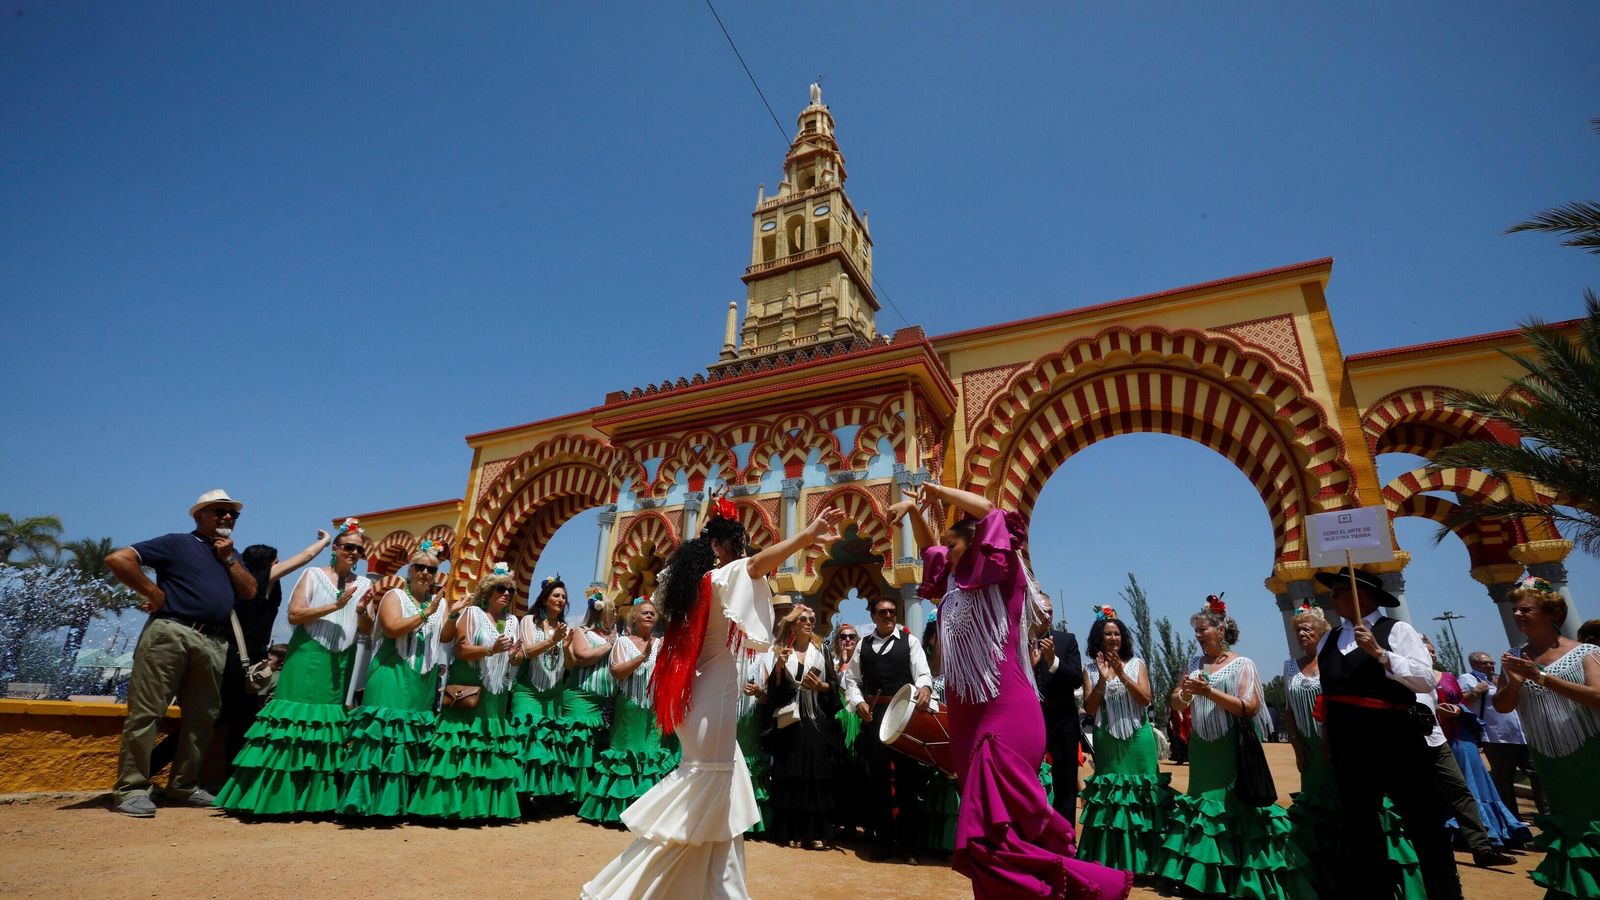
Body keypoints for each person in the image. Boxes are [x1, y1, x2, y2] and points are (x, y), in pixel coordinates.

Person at [581, 492, 843, 898]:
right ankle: (624, 890)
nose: (743, 554)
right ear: (722, 548)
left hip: (699, 699)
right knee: (704, 797)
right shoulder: (720, 579)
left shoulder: (685, 586)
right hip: (714, 700)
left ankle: (722, 892)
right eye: (737, 545)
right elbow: (757, 565)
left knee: (721, 803)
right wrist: (806, 534)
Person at [896, 481, 1132, 899]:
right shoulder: (952, 588)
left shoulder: (1004, 577)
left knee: (1004, 834)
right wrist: (915, 512)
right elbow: (932, 548)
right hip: (967, 721)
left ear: (977, 544)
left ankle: (1076, 889)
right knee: (985, 839)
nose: (943, 553)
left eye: (953, 544)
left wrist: (935, 489)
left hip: (1005, 715)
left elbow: (990, 511)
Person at [103, 489, 260, 816]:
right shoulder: (178, 543)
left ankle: (184, 785)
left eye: (233, 514)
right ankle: (131, 788)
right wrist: (152, 591)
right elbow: (119, 559)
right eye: (219, 511)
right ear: (199, 515)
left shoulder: (232, 555)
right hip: (171, 632)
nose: (227, 517)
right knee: (147, 712)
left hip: (214, 641)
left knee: (203, 717)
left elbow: (249, 590)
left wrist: (230, 559)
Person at [1312, 567, 1464, 900]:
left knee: (1423, 823)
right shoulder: (1329, 638)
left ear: (1359, 595)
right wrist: (1327, 735)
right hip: (1348, 744)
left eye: (1337, 592)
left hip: (1394, 740)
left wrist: (1380, 655)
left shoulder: (1396, 631)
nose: (1331, 598)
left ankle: (1444, 892)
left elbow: (1426, 679)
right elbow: (1329, 692)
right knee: (1360, 826)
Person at [1154, 596, 1309, 900]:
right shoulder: (1192, 664)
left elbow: (1249, 707)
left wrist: (1208, 691)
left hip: (1231, 749)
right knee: (1204, 811)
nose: (1198, 636)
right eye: (1196, 632)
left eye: (1203, 630)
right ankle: (1204, 875)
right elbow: (1175, 702)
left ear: (1221, 629)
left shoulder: (1243, 665)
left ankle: (1239, 874)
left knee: (1233, 809)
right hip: (1203, 748)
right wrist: (1183, 694)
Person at [216, 518, 373, 816]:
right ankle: (271, 797)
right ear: (335, 549)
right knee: (293, 722)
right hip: (307, 654)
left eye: (359, 551)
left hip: (340, 660)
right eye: (349, 548)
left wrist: (364, 611)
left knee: (325, 727)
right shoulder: (313, 575)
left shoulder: (365, 584)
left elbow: (365, 629)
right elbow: (295, 614)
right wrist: (334, 607)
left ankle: (314, 800)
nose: (354, 554)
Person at [1281, 604, 1425, 898]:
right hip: (1309, 750)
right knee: (1317, 805)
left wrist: (1329, 735)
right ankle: (1324, 874)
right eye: (1298, 629)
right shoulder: (1290, 667)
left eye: (1308, 628)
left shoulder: (1333, 660)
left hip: (1337, 741)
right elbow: (1288, 710)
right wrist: (1295, 741)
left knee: (1351, 804)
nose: (1302, 634)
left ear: (1322, 632)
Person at [1493, 575, 1600, 899]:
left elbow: (1597, 696)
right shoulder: (1514, 656)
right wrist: (1514, 682)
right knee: (1566, 821)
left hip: (1589, 755)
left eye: (1526, 609)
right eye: (1515, 610)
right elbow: (1502, 705)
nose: (1518, 615)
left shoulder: (1586, 652)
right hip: (1550, 759)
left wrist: (1541, 678)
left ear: (1552, 613)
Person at [337, 541, 449, 817]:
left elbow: (445, 638)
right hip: (392, 673)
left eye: (431, 569)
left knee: (410, 740)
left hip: (422, 679)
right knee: (383, 738)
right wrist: (426, 613)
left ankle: (398, 804)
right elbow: (392, 628)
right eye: (420, 567)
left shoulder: (439, 603)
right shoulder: (394, 597)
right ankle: (365, 803)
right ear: (410, 571)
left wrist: (455, 615)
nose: (425, 573)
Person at [407, 562, 521, 821]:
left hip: (496, 692)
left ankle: (486, 808)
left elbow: (510, 659)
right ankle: (447, 806)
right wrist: (491, 649)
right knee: (461, 744)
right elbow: (461, 649)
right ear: (487, 592)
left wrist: (513, 655)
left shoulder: (513, 621)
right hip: (469, 685)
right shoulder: (471, 614)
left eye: (510, 591)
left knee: (489, 746)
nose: (505, 594)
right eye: (500, 588)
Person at [215, 534, 327, 779]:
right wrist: (325, 541)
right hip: (240, 659)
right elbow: (305, 557)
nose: (281, 564)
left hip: (241, 656)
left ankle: (231, 779)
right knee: (228, 722)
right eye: (277, 561)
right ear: (267, 564)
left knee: (235, 721)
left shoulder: (243, 584)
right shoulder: (260, 581)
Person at [1076, 605, 1174, 877]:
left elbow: (1145, 698)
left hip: (1138, 739)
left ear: (1124, 637)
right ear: (1098, 637)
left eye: (1117, 633)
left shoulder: (1137, 663)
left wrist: (1121, 674)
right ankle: (1113, 860)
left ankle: (1149, 862)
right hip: (1108, 739)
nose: (1113, 638)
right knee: (1113, 799)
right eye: (1107, 634)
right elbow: (1091, 708)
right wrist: (1102, 681)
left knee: (1143, 796)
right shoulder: (1090, 669)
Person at [842, 593, 935, 862]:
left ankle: (908, 846)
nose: (888, 615)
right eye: (882, 612)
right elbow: (852, 681)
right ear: (873, 616)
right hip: (875, 716)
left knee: (907, 779)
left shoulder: (910, 642)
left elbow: (923, 674)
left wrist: (926, 687)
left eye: (892, 611)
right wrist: (858, 702)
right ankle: (883, 842)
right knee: (879, 780)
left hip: (904, 717)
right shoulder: (863, 646)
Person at [580, 597, 678, 825]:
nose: (649, 616)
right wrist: (643, 656)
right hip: (628, 709)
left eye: (652, 613)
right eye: (644, 612)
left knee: (650, 755)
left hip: (651, 709)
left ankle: (647, 813)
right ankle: (617, 809)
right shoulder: (623, 643)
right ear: (634, 617)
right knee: (625, 756)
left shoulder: (661, 644)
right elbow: (617, 672)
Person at [1428, 636, 1530, 848]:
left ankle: (1495, 827)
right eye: (1426, 650)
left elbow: (1462, 702)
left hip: (1463, 733)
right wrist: (1474, 693)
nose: (1432, 654)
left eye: (1433, 651)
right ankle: (1468, 831)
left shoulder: (1447, 676)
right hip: (1444, 734)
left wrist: (1459, 707)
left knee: (1478, 781)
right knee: (1463, 783)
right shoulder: (1416, 676)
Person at [763, 603, 840, 850]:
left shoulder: (822, 651)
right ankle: (792, 832)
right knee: (791, 776)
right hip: (789, 722)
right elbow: (772, 694)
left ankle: (816, 832)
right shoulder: (781, 652)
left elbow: (834, 686)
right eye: (804, 619)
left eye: (811, 619)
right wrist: (777, 670)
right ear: (794, 624)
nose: (809, 623)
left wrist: (821, 687)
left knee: (814, 777)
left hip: (814, 719)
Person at [510, 575, 576, 805]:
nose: (560, 599)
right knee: (526, 740)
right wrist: (552, 641)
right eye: (556, 595)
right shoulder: (529, 621)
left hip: (553, 693)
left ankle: (542, 797)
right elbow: (527, 650)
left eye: (564, 597)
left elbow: (568, 666)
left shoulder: (565, 629)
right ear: (545, 599)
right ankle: (518, 798)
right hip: (528, 691)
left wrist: (566, 648)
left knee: (549, 745)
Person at [1460, 650, 1546, 819]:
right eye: (1485, 663)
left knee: (1538, 773)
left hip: (1522, 736)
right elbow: (1462, 703)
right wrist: (1476, 692)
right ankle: (1512, 819)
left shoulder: (1501, 678)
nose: (1490, 665)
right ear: (1474, 664)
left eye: (1492, 662)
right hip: (1495, 738)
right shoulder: (1468, 679)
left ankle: (1546, 813)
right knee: (1504, 780)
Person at [1031, 591, 1083, 821]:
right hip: (1030, 720)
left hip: (1062, 719)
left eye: (1050, 612)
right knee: (1027, 779)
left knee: (1065, 783)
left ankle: (1065, 839)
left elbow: (1076, 679)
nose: (1048, 616)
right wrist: (1030, 669)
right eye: (1043, 611)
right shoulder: (1019, 641)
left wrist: (1053, 662)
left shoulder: (1066, 640)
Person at [567, 589, 618, 805]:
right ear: (600, 612)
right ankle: (571, 795)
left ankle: (587, 796)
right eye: (611, 610)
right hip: (581, 698)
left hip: (602, 702)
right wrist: (609, 645)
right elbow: (583, 656)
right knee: (580, 747)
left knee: (596, 747)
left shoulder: (616, 637)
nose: (615, 615)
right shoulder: (582, 632)